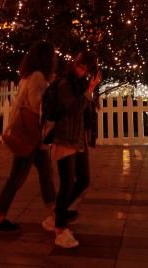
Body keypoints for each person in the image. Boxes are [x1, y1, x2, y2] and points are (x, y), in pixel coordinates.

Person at [0, 41, 56, 233]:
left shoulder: (28, 76)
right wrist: (52, 97)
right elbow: (37, 104)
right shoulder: (37, 77)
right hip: (29, 135)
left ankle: (55, 214)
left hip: (32, 136)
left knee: (46, 174)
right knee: (17, 178)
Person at [45, 51, 101, 249]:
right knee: (67, 184)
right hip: (65, 138)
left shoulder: (82, 84)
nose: (82, 71)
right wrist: (90, 89)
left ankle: (58, 214)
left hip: (79, 140)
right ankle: (60, 229)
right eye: (80, 66)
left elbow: (86, 111)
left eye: (86, 69)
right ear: (74, 64)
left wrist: (91, 90)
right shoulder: (65, 84)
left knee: (84, 179)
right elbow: (73, 109)